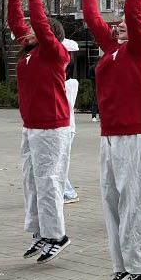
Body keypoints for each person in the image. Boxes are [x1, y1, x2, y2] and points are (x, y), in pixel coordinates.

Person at [75, 0, 141, 280]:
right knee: (111, 202)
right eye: (120, 24)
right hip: (110, 136)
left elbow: (133, 15)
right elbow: (94, 20)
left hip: (138, 134)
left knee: (134, 201)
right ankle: (122, 265)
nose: (120, 25)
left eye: (126, 23)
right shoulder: (112, 49)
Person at [7, 0, 73, 264]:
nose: (27, 31)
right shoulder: (30, 52)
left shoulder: (54, 52)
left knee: (48, 181)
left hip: (51, 127)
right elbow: (17, 23)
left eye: (33, 28)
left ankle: (57, 235)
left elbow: (41, 26)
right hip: (31, 126)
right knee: (32, 181)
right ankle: (40, 233)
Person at [62, 38, 80, 204]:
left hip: (66, 128)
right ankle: (66, 190)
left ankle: (68, 192)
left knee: (60, 162)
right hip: (64, 127)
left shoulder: (71, 84)